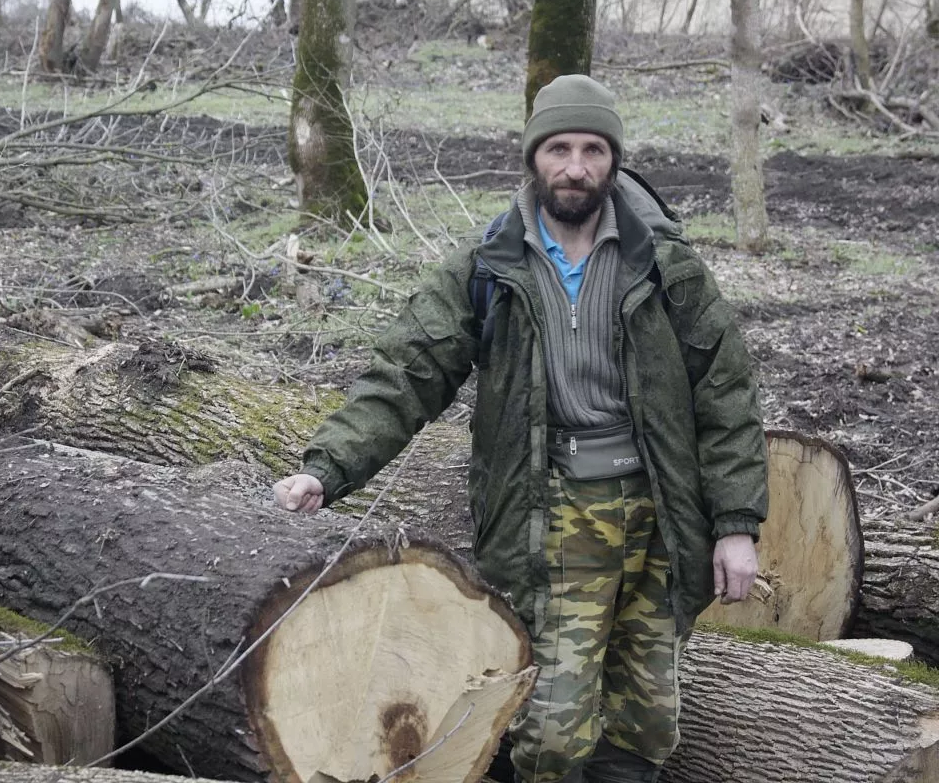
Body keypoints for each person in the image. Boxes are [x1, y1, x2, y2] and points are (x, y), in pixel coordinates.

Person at [271, 75, 767, 783]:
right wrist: (328, 467)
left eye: (593, 149)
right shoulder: (490, 266)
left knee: (648, 720)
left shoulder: (664, 264)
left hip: (663, 514)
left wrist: (737, 523)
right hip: (553, 515)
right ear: (533, 156)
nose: (575, 166)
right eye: (559, 147)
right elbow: (408, 372)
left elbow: (727, 393)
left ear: (613, 159)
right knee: (553, 732)